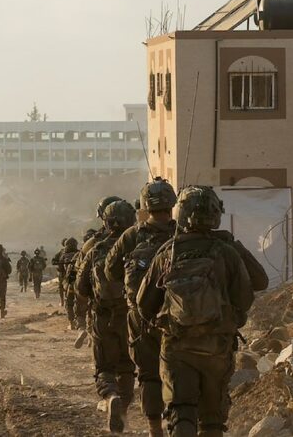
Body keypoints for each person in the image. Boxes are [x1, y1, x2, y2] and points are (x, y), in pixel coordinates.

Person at [137, 186, 254, 437]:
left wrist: (162, 323)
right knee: (212, 421)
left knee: (182, 412)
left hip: (177, 347)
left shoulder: (168, 251)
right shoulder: (226, 251)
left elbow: (144, 303)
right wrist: (231, 320)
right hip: (217, 346)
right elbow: (247, 295)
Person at [104, 177, 177, 437]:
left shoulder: (132, 236)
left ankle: (154, 428)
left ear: (146, 206)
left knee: (148, 374)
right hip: (177, 316)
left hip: (141, 317)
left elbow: (110, 271)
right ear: (172, 204)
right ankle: (180, 423)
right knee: (178, 369)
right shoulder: (181, 233)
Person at [77, 200, 137, 433]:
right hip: (131, 319)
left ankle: (110, 395)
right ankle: (121, 409)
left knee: (104, 367)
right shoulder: (138, 246)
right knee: (127, 366)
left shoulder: (95, 249)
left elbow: (81, 289)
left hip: (102, 317)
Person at [73, 199, 121, 348]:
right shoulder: (137, 238)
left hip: (101, 307)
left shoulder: (93, 244)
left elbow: (80, 279)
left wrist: (79, 315)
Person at [57, 237, 80, 329]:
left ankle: (71, 323)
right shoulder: (80, 254)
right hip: (81, 283)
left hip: (70, 282)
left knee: (69, 302)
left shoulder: (63, 256)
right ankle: (80, 321)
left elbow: (60, 269)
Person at [52, 239, 68, 307]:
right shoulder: (61, 252)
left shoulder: (76, 252)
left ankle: (63, 301)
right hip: (63, 272)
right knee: (61, 287)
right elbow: (54, 260)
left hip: (68, 272)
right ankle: (62, 301)